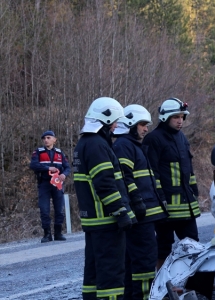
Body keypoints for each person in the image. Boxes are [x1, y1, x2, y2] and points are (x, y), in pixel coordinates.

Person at [73, 97, 136, 300]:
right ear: (105, 120)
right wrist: (121, 212)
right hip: (107, 221)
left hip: (94, 222)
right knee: (111, 276)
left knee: (93, 276)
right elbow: (106, 183)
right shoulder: (97, 145)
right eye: (115, 121)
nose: (116, 126)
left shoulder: (84, 143)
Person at [113, 104, 168, 300]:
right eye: (143, 124)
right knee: (144, 262)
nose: (146, 129)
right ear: (129, 124)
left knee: (135, 261)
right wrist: (138, 204)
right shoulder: (124, 145)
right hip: (139, 218)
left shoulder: (132, 145)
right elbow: (126, 178)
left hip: (143, 216)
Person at [143, 97, 200, 270]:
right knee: (163, 247)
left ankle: (190, 281)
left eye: (182, 117)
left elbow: (187, 168)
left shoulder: (181, 138)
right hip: (165, 208)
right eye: (176, 117)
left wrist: (193, 190)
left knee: (192, 245)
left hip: (186, 206)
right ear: (165, 118)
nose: (180, 121)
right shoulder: (153, 139)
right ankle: (161, 284)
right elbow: (152, 172)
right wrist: (160, 198)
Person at [29, 130, 71, 243]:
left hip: (57, 184)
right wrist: (48, 168)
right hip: (44, 183)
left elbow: (67, 167)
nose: (46, 140)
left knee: (59, 209)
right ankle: (47, 234)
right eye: (44, 138)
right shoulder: (38, 152)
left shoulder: (59, 152)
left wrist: (64, 174)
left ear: (54, 140)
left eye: (48, 138)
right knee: (44, 209)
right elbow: (33, 165)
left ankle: (58, 233)